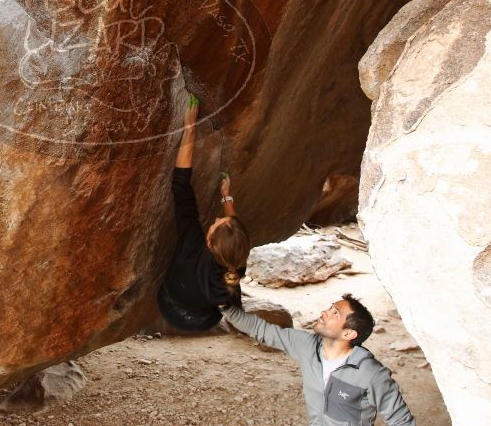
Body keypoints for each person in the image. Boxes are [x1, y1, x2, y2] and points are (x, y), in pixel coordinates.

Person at [222, 294, 416, 425]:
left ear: (348, 333)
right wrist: (226, 306)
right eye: (330, 308)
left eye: (335, 314)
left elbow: (400, 419)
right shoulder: (307, 346)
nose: (325, 312)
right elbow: (261, 329)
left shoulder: (371, 374)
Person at [157, 94, 252, 332]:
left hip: (171, 306)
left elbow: (181, 186)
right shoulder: (234, 264)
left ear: (208, 242)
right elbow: (233, 228)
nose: (218, 218)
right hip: (205, 319)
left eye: (216, 224)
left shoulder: (192, 246)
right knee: (229, 288)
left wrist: (189, 131)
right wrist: (226, 196)